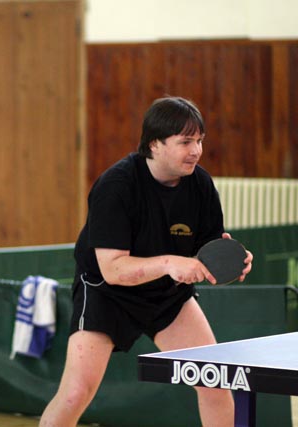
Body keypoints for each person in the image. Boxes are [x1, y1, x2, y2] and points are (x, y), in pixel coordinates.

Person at [39, 96, 254, 427]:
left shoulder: (200, 184)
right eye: (185, 142)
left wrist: (229, 259)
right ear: (155, 144)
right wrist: (170, 263)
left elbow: (207, 248)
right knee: (75, 394)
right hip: (106, 294)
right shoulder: (116, 185)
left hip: (167, 296)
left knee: (214, 381)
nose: (196, 150)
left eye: (200, 140)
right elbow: (113, 269)